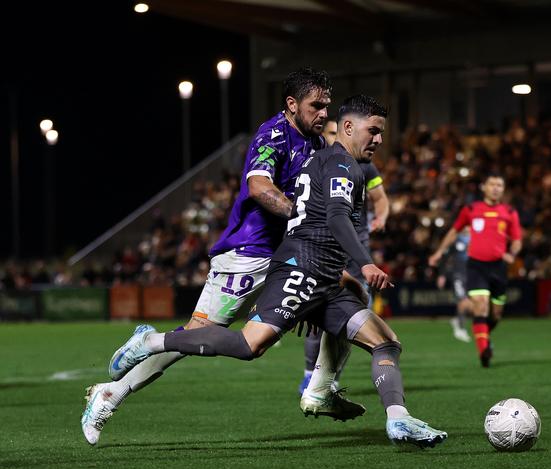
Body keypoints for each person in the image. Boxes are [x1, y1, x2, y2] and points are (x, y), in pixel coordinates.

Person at [107, 95, 447, 448]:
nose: (378, 140)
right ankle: (150, 341)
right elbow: (335, 217)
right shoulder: (341, 166)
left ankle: (397, 419)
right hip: (303, 269)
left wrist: (339, 276)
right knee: (248, 345)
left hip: (324, 276)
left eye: (381, 133)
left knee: (386, 342)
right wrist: (364, 263)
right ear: (349, 127)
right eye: (372, 131)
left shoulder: (335, 161)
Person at [81, 67, 366, 446]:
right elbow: (260, 187)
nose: (324, 115)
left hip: (290, 255)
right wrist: (301, 215)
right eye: (316, 106)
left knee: (350, 296)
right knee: (197, 337)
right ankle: (113, 391)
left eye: (327, 106)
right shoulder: (273, 136)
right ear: (292, 104)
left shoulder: (315, 144)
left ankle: (320, 389)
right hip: (248, 255)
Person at [298, 118, 390, 396]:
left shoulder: (365, 165)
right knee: (320, 316)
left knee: (354, 314)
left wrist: (381, 217)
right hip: (324, 249)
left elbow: (381, 198)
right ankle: (308, 374)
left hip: (354, 250)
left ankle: (330, 377)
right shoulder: (317, 163)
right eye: (327, 132)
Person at [429, 174, 522, 367]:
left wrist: (512, 253)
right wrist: (439, 252)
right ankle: (484, 352)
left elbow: (517, 240)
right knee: (481, 305)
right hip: (476, 266)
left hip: (498, 267)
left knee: (495, 315)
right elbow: (454, 231)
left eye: (500, 185)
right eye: (492, 184)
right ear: (484, 187)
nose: (496, 188)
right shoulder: (471, 210)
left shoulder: (509, 212)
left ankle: (485, 338)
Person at [436, 229, 472, 343]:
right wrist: (442, 275)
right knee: (463, 301)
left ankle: (458, 321)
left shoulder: (476, 237)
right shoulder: (455, 239)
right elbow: (445, 257)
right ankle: (460, 328)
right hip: (458, 275)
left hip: (472, 275)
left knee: (470, 303)